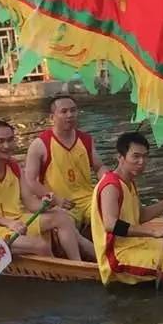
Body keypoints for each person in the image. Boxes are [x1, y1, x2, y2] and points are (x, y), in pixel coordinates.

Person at [0, 120, 88, 260]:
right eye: (0, 141)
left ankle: (78, 264)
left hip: (16, 221)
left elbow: (30, 203)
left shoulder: (14, 167)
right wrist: (9, 223)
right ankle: (61, 275)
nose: (7, 146)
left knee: (62, 218)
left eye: (10, 140)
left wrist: (47, 203)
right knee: (41, 245)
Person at [92, 131, 163, 285]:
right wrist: (152, 232)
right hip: (119, 255)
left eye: (145, 156)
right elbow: (111, 224)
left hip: (137, 245)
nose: (141, 162)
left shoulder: (129, 182)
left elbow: (141, 215)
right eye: (135, 156)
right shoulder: (111, 185)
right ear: (120, 157)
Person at [23, 94, 103, 233]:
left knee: (109, 215)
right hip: (60, 202)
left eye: (73, 110)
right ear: (52, 117)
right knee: (68, 227)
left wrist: (109, 182)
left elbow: (100, 167)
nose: (70, 115)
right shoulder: (40, 144)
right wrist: (55, 199)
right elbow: (30, 181)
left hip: (88, 199)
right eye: (64, 111)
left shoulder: (86, 139)